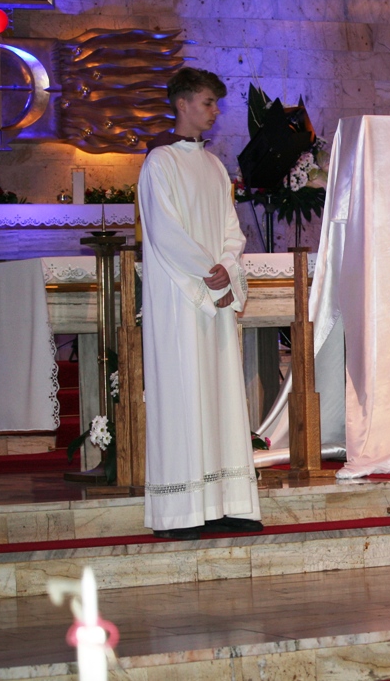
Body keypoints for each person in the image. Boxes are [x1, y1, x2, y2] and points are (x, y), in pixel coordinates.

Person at [138, 67, 263, 540]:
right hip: (181, 299)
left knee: (219, 395)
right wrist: (209, 275)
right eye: (208, 102)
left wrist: (227, 267)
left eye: (215, 104)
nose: (214, 111)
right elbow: (165, 233)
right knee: (184, 394)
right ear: (183, 103)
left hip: (214, 296)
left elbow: (232, 230)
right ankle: (180, 511)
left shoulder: (213, 167)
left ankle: (226, 503)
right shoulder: (160, 163)